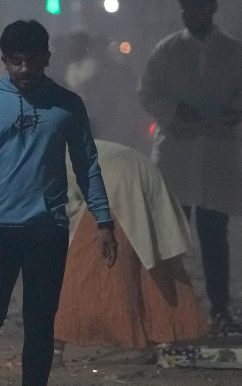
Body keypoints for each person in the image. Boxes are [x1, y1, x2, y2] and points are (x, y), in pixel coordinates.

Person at [0, 19, 117, 386]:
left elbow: (87, 165)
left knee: (40, 322)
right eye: (16, 62)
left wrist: (103, 221)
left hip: (47, 228)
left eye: (32, 61)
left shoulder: (66, 105)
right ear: (4, 60)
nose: (24, 70)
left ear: (47, 58)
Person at [138, 0, 242, 336]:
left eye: (202, 7)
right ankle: (168, 310)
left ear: (213, 7)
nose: (196, 14)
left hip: (217, 155)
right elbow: (148, 93)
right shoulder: (167, 50)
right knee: (171, 237)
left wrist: (235, 110)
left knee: (213, 236)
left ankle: (219, 309)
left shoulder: (235, 52)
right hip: (177, 153)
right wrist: (176, 111)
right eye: (190, 8)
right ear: (183, 10)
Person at [54, 140, 208, 360]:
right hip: (140, 172)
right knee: (147, 256)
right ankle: (163, 332)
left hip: (114, 182)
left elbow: (65, 209)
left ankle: (54, 345)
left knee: (82, 266)